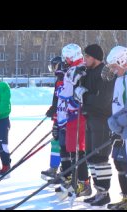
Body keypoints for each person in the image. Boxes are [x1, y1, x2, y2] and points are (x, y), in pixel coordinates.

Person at [77, 44, 115, 206]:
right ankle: (98, 190)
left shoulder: (105, 72)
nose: (85, 59)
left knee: (100, 157)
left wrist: (84, 95)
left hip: (102, 119)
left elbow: (103, 100)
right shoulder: (88, 72)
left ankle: (104, 193)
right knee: (91, 156)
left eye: (87, 57)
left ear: (95, 58)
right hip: (89, 117)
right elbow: (80, 92)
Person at [55, 43, 90, 199]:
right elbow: (65, 91)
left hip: (78, 114)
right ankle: (75, 180)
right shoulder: (72, 69)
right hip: (69, 114)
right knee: (71, 148)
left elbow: (74, 91)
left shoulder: (81, 68)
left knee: (78, 149)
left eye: (67, 57)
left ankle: (84, 182)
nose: (65, 60)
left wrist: (74, 96)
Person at [105, 46, 127, 210]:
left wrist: (121, 125)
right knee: (118, 162)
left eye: (114, 66)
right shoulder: (119, 80)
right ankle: (125, 196)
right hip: (117, 127)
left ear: (123, 62)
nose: (112, 70)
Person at [41, 56, 65, 180]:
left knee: (63, 144)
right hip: (58, 116)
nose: (53, 69)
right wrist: (53, 109)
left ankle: (65, 170)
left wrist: (55, 110)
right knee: (55, 142)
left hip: (65, 118)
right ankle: (54, 168)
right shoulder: (58, 80)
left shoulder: (64, 79)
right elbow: (57, 99)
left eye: (53, 66)